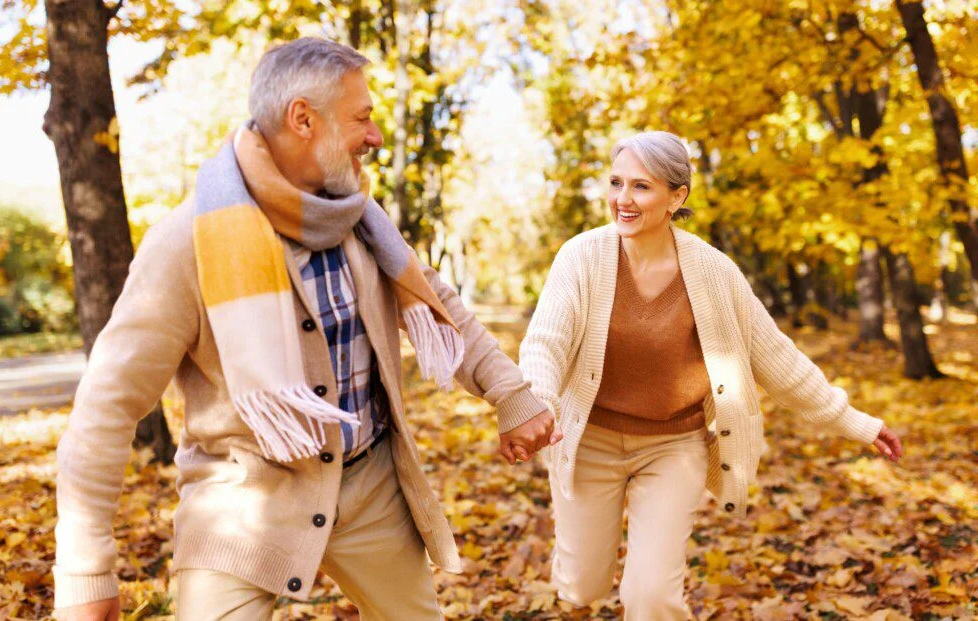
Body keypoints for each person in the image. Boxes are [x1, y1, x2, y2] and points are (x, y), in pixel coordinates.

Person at [54, 37, 560, 621]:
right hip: (242, 500)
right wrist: (84, 566)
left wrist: (512, 393)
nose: (374, 136)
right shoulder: (186, 243)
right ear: (303, 119)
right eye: (362, 118)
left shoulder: (355, 216)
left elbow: (439, 301)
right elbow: (106, 405)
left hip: (371, 484)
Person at [518, 130, 903, 619]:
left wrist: (857, 424)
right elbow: (546, 343)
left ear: (677, 196)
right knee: (582, 587)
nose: (622, 199)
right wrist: (535, 405)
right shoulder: (582, 257)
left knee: (651, 597)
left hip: (673, 447)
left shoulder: (714, 272)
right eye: (616, 183)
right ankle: (581, 573)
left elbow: (777, 359)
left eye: (641, 186)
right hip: (588, 440)